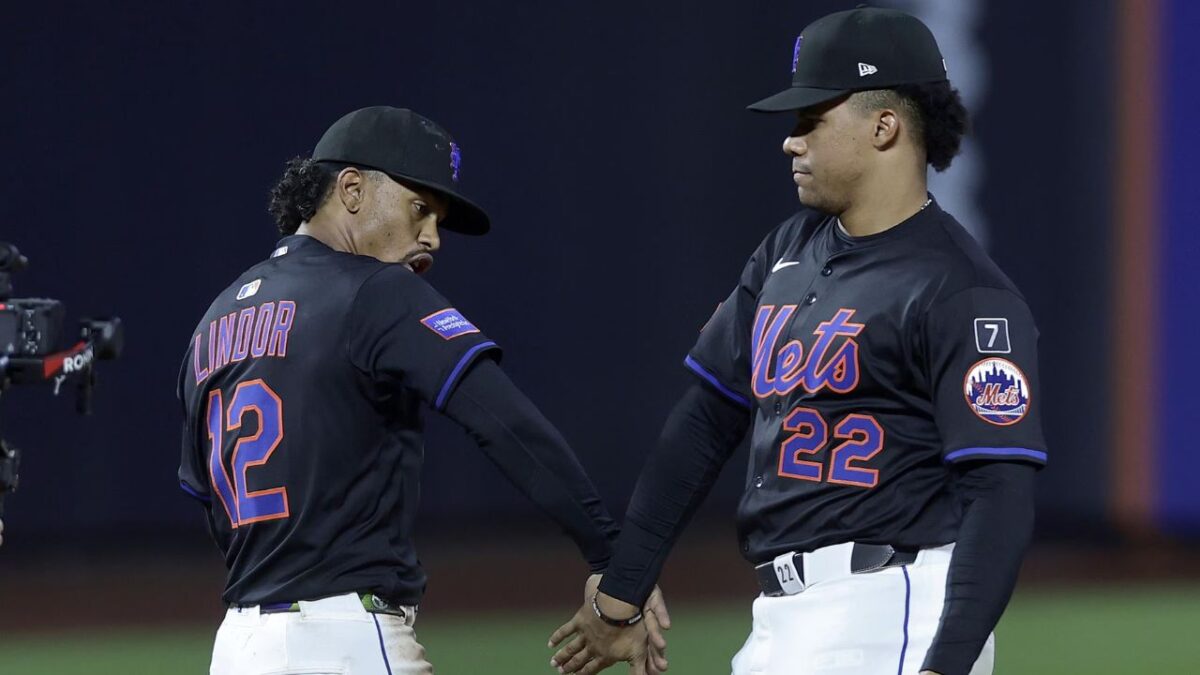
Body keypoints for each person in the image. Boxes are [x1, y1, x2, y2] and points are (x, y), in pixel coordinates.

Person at [549, 8, 1046, 675]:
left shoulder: (961, 291)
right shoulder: (786, 251)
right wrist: (621, 595)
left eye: (812, 118)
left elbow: (999, 490)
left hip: (891, 606)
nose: (791, 141)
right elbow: (705, 423)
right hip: (781, 616)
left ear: (884, 126)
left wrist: (945, 663)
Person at [177, 106, 664, 674]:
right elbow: (504, 423)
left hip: (237, 646)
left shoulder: (212, 323)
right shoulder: (375, 291)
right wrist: (613, 558)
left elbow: (206, 493)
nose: (432, 236)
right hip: (345, 641)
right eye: (420, 208)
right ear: (353, 190)